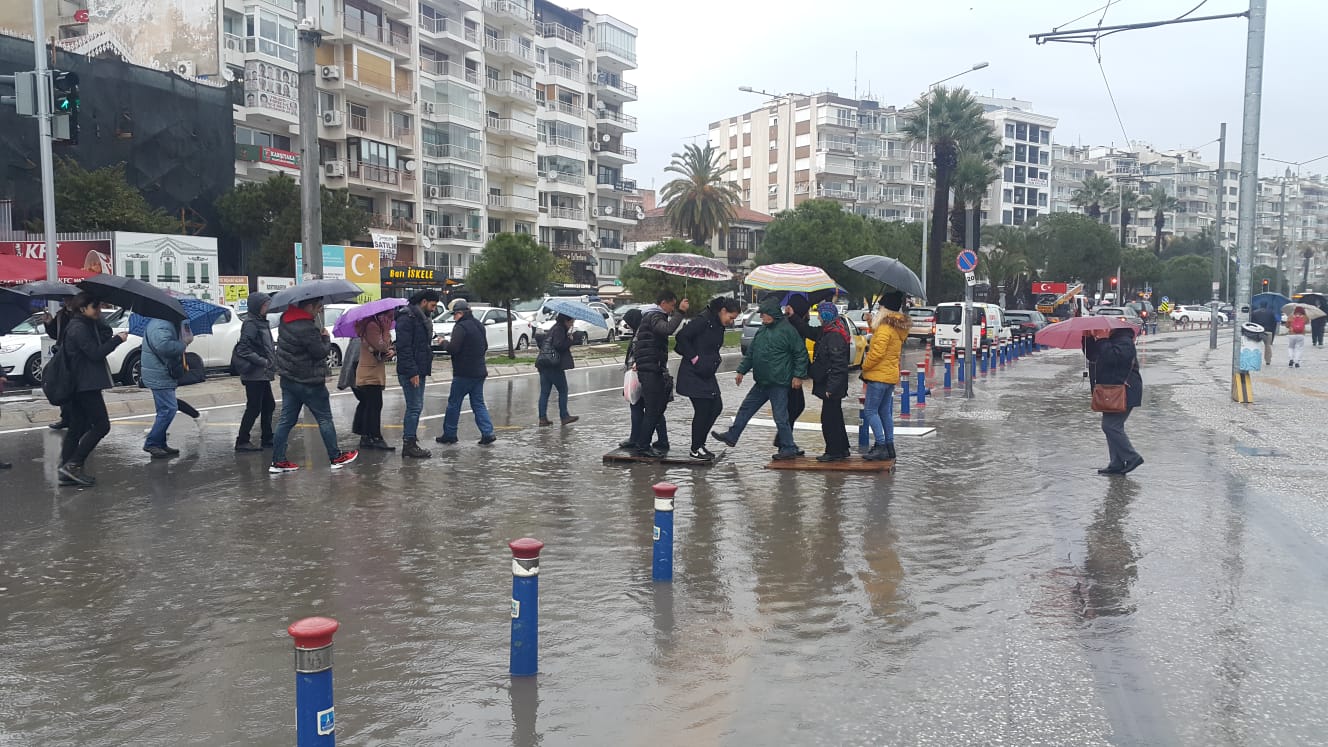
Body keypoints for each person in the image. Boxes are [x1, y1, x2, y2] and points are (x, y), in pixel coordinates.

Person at [710, 296, 808, 460]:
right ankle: (732, 436)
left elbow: (801, 354)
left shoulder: (788, 330)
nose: (761, 317)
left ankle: (789, 448)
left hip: (779, 382)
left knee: (780, 417)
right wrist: (741, 370)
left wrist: (798, 375)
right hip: (762, 381)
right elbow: (752, 353)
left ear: (772, 314)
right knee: (745, 409)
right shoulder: (762, 330)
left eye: (763, 314)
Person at [269, 297, 358, 473]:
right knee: (324, 418)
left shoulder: (285, 321)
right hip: (309, 381)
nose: (319, 311)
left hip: (289, 379)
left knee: (286, 421)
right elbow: (319, 352)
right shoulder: (307, 327)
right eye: (318, 307)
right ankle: (335, 456)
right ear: (308, 306)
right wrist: (325, 338)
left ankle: (278, 461)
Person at [57, 292, 127, 486]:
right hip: (84, 384)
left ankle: (66, 470)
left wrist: (102, 325)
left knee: (77, 427)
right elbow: (95, 354)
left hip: (82, 383)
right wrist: (117, 340)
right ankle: (72, 465)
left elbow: (101, 335)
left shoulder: (86, 324)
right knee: (102, 425)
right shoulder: (79, 328)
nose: (99, 310)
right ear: (83, 309)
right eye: (95, 307)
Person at [675, 296, 739, 461]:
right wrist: (695, 358)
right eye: (731, 317)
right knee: (703, 410)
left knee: (716, 406)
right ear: (723, 311)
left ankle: (700, 444)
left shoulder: (717, 323)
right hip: (693, 373)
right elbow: (682, 337)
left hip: (706, 373)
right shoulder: (703, 320)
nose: (731, 321)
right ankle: (695, 449)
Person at [628, 290, 689, 458]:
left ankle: (648, 442)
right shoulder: (655, 316)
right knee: (653, 409)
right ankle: (643, 446)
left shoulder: (651, 316)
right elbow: (667, 329)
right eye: (672, 305)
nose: (672, 309)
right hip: (651, 370)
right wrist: (681, 312)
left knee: (657, 408)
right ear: (663, 303)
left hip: (653, 368)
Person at [789, 300, 852, 462]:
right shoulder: (827, 331)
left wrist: (831, 388)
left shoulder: (834, 335)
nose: (820, 319)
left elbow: (839, 366)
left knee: (829, 419)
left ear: (826, 316)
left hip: (832, 386)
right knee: (835, 417)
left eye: (821, 315)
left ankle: (833, 451)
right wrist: (794, 316)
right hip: (830, 384)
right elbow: (807, 330)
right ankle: (842, 448)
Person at [1085, 327, 1144, 475]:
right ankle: (1116, 463)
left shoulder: (1125, 341)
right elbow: (1093, 356)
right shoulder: (1110, 341)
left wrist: (1103, 339)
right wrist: (1088, 338)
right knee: (1112, 426)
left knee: (1111, 426)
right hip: (1109, 390)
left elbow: (1113, 359)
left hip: (1124, 391)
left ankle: (1132, 457)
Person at [437, 298, 495, 446]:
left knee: (454, 404)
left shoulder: (460, 327)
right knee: (478, 404)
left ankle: (450, 434)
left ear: (461, 313)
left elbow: (453, 348)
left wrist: (443, 342)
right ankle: (487, 433)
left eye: (454, 314)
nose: (454, 317)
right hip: (479, 371)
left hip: (463, 373)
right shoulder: (478, 325)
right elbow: (485, 346)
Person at [860, 292, 910, 461]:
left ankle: (880, 445)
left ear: (886, 309)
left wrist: (864, 366)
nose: (878, 309)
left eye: (880, 306)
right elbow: (881, 332)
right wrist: (869, 321)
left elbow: (876, 353)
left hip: (878, 376)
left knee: (870, 411)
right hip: (889, 376)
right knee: (884, 412)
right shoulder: (895, 326)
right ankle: (889, 446)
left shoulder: (885, 328)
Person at [140, 317, 192, 459]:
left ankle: (160, 443)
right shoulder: (161, 324)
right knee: (169, 408)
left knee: (163, 409)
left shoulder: (167, 323)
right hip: (159, 372)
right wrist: (182, 344)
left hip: (162, 372)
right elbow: (163, 346)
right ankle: (151, 443)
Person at [396, 289, 438, 458]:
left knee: (417, 406)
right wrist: (412, 371)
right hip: (411, 371)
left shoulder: (421, 318)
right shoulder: (407, 318)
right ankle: (409, 444)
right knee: (414, 407)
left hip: (420, 369)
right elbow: (404, 348)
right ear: (424, 302)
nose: (434, 309)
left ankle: (411, 440)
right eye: (433, 305)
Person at [619, 307, 667, 450]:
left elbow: (640, 353)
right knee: (654, 410)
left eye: (628, 322)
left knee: (642, 407)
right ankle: (661, 439)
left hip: (642, 375)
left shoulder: (641, 334)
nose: (627, 326)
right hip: (646, 374)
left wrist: (636, 363)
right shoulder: (644, 331)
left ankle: (637, 439)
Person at [232, 292, 276, 452]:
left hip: (262, 373)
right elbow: (243, 348)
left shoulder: (261, 322)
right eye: (265, 305)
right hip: (254, 374)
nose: (267, 307)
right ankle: (242, 440)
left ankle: (267, 438)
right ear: (257, 306)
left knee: (268, 405)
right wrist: (263, 361)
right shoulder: (251, 324)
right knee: (254, 407)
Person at [351, 310, 396, 450]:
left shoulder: (376, 326)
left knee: (371, 405)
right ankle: (374, 437)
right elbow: (381, 346)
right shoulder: (372, 326)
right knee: (374, 406)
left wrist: (391, 350)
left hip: (373, 372)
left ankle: (367, 436)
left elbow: (382, 349)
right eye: (390, 315)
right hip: (369, 374)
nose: (392, 318)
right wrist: (386, 331)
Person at [43, 297, 78, 430]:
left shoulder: (79, 315)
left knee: (74, 388)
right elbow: (55, 335)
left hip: (74, 354)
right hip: (61, 354)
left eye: (70, 300)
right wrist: (48, 323)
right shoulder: (60, 315)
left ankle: (77, 418)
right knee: (62, 385)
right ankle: (66, 418)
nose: (67, 302)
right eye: (66, 300)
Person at [537, 313, 578, 426]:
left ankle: (542, 418)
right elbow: (558, 345)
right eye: (571, 322)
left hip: (543, 363)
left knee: (545, 392)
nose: (572, 324)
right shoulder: (560, 329)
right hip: (553, 365)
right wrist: (570, 340)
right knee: (563, 390)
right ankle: (564, 416)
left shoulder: (554, 328)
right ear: (566, 320)